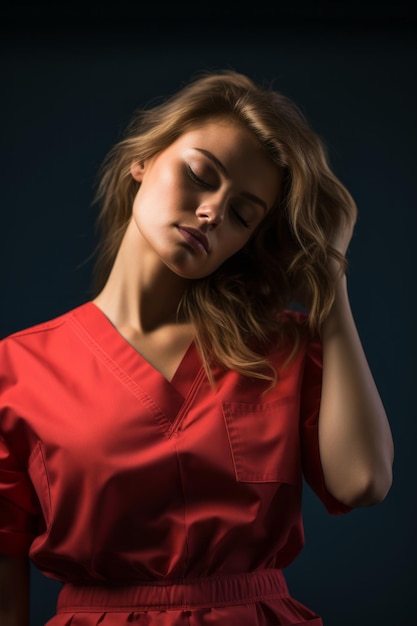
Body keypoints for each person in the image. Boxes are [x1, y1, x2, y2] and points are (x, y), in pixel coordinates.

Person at [0, 69, 394, 626]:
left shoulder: (279, 346)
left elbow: (364, 482)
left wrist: (331, 280)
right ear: (143, 161)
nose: (212, 212)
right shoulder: (16, 369)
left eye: (242, 214)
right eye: (200, 174)